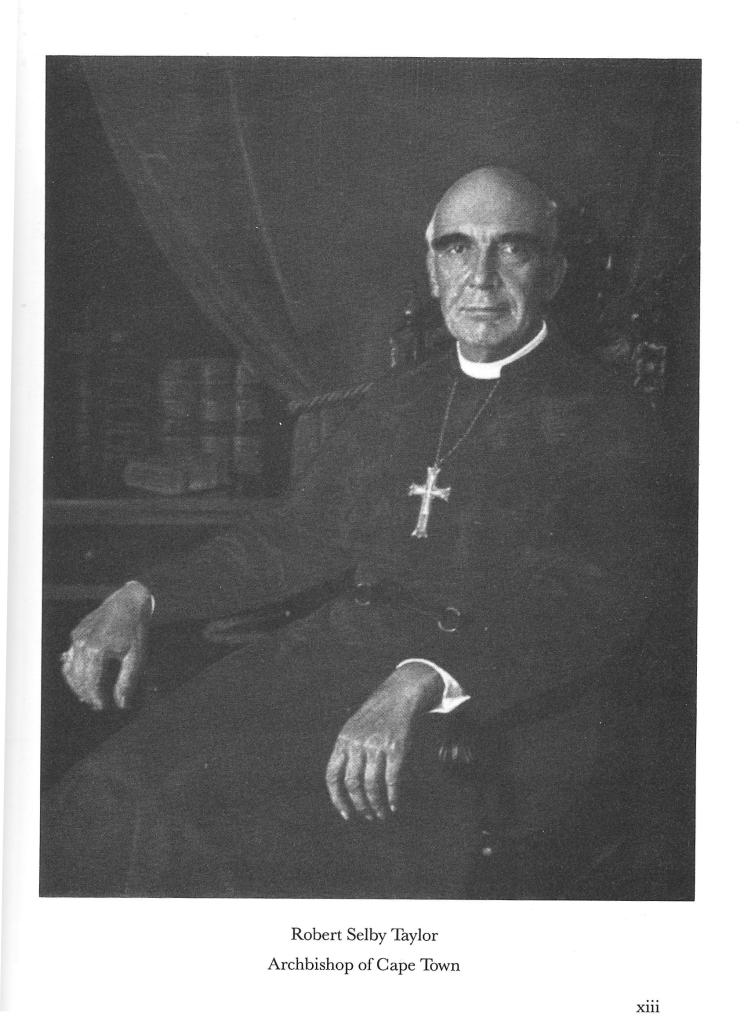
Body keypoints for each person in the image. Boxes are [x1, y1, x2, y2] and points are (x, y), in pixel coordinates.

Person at [41, 167, 692, 899]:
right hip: (340, 659)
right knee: (121, 788)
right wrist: (143, 594)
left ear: (555, 271)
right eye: (457, 248)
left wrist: (426, 675)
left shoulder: (612, 419)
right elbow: (295, 536)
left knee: (217, 824)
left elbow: (587, 604)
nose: (480, 277)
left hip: (493, 707)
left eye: (512, 248)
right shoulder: (398, 401)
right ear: (432, 269)